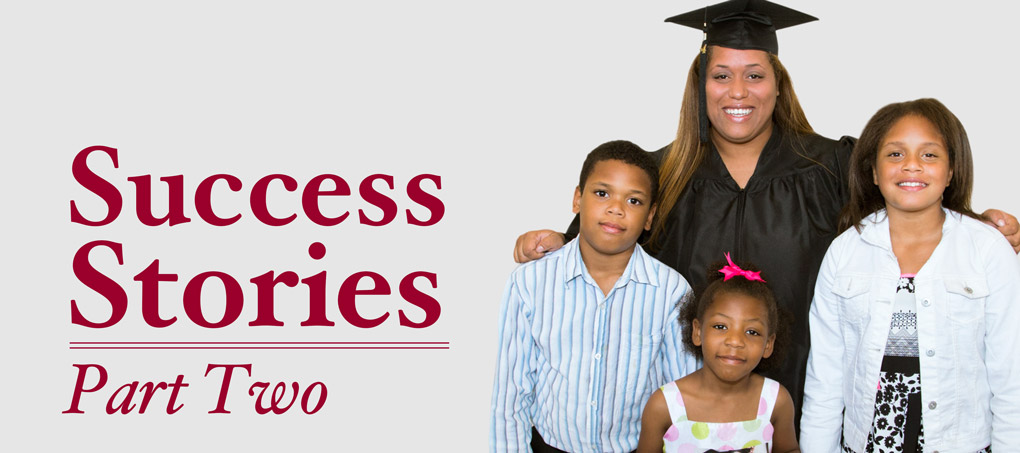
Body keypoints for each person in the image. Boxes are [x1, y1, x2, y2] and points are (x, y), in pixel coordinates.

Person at [511, 0, 1020, 424]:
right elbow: (604, 236)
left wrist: (978, 225)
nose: (738, 91)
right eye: (722, 76)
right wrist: (556, 242)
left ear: (778, 84)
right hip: (688, 418)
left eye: (754, 75)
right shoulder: (663, 175)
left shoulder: (830, 167)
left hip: (805, 410)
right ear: (700, 85)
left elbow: (908, 202)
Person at [800, 98, 1020, 452]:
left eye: (929, 155)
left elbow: (1011, 381)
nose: (912, 166)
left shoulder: (987, 250)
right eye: (895, 154)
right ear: (873, 171)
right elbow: (824, 382)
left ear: (951, 170)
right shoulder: (844, 253)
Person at [490, 141, 696, 453]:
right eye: (602, 193)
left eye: (634, 200)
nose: (616, 207)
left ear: (650, 217)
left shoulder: (671, 292)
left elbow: (682, 394)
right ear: (577, 199)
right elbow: (511, 395)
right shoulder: (530, 283)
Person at [637, 254, 799, 453]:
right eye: (721, 326)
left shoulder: (777, 401)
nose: (735, 341)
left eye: (752, 332)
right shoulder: (663, 406)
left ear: (768, 344)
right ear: (697, 332)